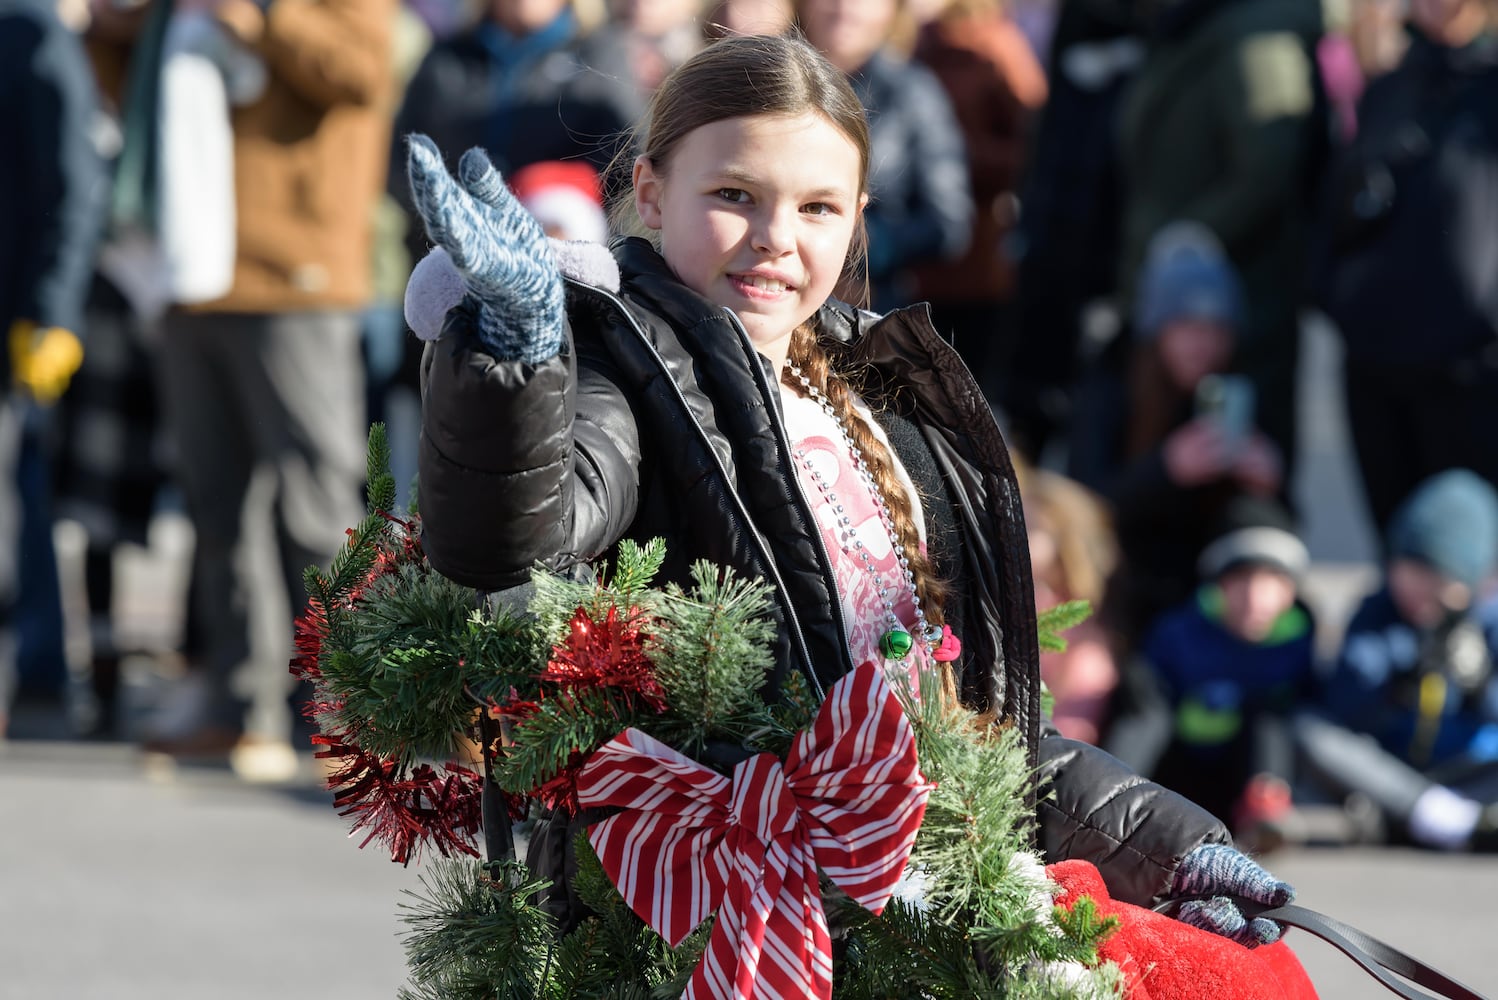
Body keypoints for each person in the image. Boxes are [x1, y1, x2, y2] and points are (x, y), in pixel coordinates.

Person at [403, 33, 1301, 958]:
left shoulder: (883, 390)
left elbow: (962, 719)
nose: (776, 237)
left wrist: (1179, 850)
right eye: (733, 196)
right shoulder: (621, 367)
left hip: (918, 896)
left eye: (818, 207)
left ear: (859, 216)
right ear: (653, 188)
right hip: (699, 915)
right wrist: (512, 358)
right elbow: (521, 536)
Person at [137, 0, 397, 767]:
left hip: (297, 279)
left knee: (319, 506)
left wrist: (264, 20)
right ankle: (237, 703)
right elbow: (128, 90)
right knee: (217, 511)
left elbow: (363, 73)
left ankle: (346, 709)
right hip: (190, 270)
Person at [1311, 0, 1498, 540]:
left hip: (1470, 373)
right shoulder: (1392, 88)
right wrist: (1336, 297)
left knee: (1466, 558)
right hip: (1378, 365)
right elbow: (1339, 202)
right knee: (1400, 551)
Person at [1115, 0, 1329, 474]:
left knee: (1234, 473)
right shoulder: (1190, 26)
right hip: (1169, 300)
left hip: (1234, 307)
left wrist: (1187, 238)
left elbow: (1269, 168)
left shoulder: (1257, 31)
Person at [1090, 222, 1287, 649]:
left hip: (1214, 600)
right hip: (1127, 589)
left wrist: (1271, 486)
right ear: (1158, 329)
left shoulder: (1245, 395)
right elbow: (1082, 503)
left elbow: (1283, 538)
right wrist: (1165, 469)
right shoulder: (1112, 386)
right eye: (1188, 326)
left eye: (1217, 328)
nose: (1204, 344)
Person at [1294, 469, 1498, 852]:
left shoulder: (1488, 620)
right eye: (1409, 569)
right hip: (1397, 774)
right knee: (1310, 729)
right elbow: (1346, 704)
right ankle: (1431, 816)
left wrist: (1480, 681)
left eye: (1435, 576)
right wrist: (1405, 669)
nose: (1418, 587)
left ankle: (1447, 820)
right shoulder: (1378, 612)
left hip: (1469, 769)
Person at [0, 0, 103, 738]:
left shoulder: (29, 33)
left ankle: (31, 672)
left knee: (13, 503)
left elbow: (75, 182)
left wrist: (55, 309)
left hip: (12, 316)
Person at [1106, 495, 1317, 844]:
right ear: (1218, 583)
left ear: (1292, 588)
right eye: (1241, 579)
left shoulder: (1297, 637)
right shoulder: (1180, 630)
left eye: (1272, 580)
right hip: (1179, 761)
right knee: (1146, 712)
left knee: (1273, 718)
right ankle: (1114, 796)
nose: (1255, 597)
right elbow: (1147, 701)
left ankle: (1267, 807)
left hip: (1244, 771)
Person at [910, 0, 1048, 412]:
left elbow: (1033, 147)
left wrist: (955, 157)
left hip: (980, 256)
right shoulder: (917, 40)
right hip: (916, 262)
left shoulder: (997, 45)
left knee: (968, 395)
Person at [795, 0, 974, 312]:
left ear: (893, 10)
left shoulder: (913, 92)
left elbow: (949, 222)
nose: (844, 8)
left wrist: (858, 251)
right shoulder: (761, 76)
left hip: (864, 307)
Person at [1019, 461, 1122, 745]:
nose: (1012, 536)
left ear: (1065, 548)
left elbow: (1069, 737)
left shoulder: (1085, 645)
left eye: (1031, 528)